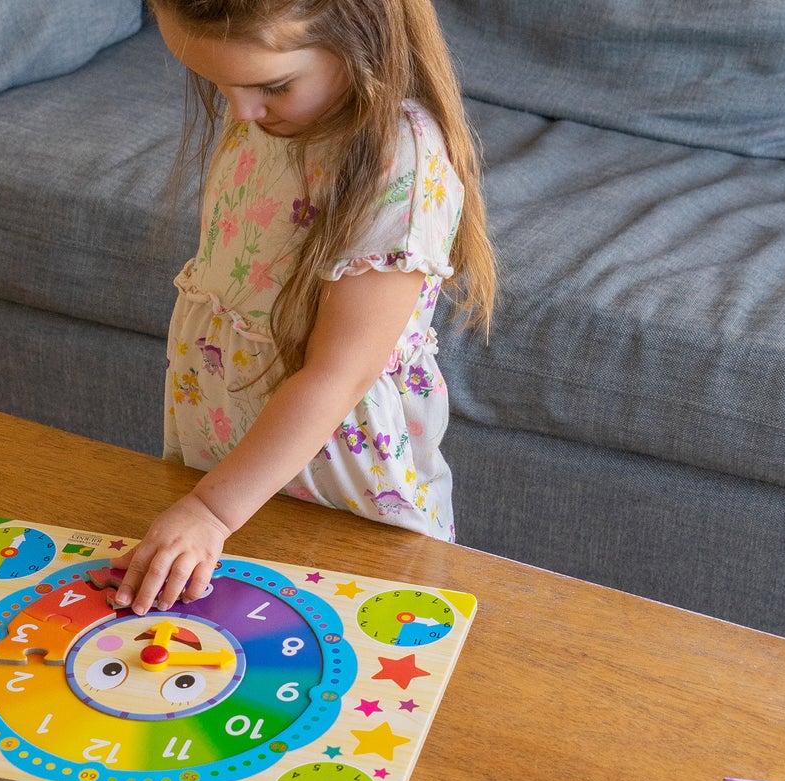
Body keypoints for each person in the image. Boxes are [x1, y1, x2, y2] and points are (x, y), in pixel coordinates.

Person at [113, 0, 497, 614]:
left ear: (361, 33)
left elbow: (339, 374)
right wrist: (210, 504)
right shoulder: (271, 116)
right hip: (232, 477)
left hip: (345, 499)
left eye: (271, 85)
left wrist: (212, 510)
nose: (239, 111)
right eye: (217, 82)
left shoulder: (401, 163)